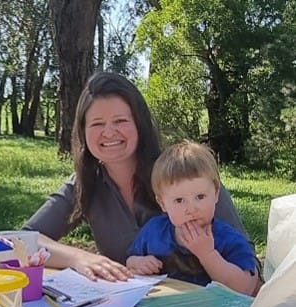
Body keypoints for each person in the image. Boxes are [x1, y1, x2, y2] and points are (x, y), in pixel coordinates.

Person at [23, 71, 252, 282]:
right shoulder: (84, 184)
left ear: (139, 123)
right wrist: (80, 258)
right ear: (83, 132)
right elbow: (21, 240)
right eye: (97, 124)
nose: (109, 132)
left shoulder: (183, 174)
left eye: (120, 121)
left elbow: (250, 273)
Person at [126, 140, 260, 294]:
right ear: (162, 203)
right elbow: (130, 259)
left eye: (200, 196)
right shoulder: (154, 231)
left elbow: (245, 288)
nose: (191, 209)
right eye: (179, 200)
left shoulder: (228, 239)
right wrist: (138, 263)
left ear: (216, 194)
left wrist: (208, 255)